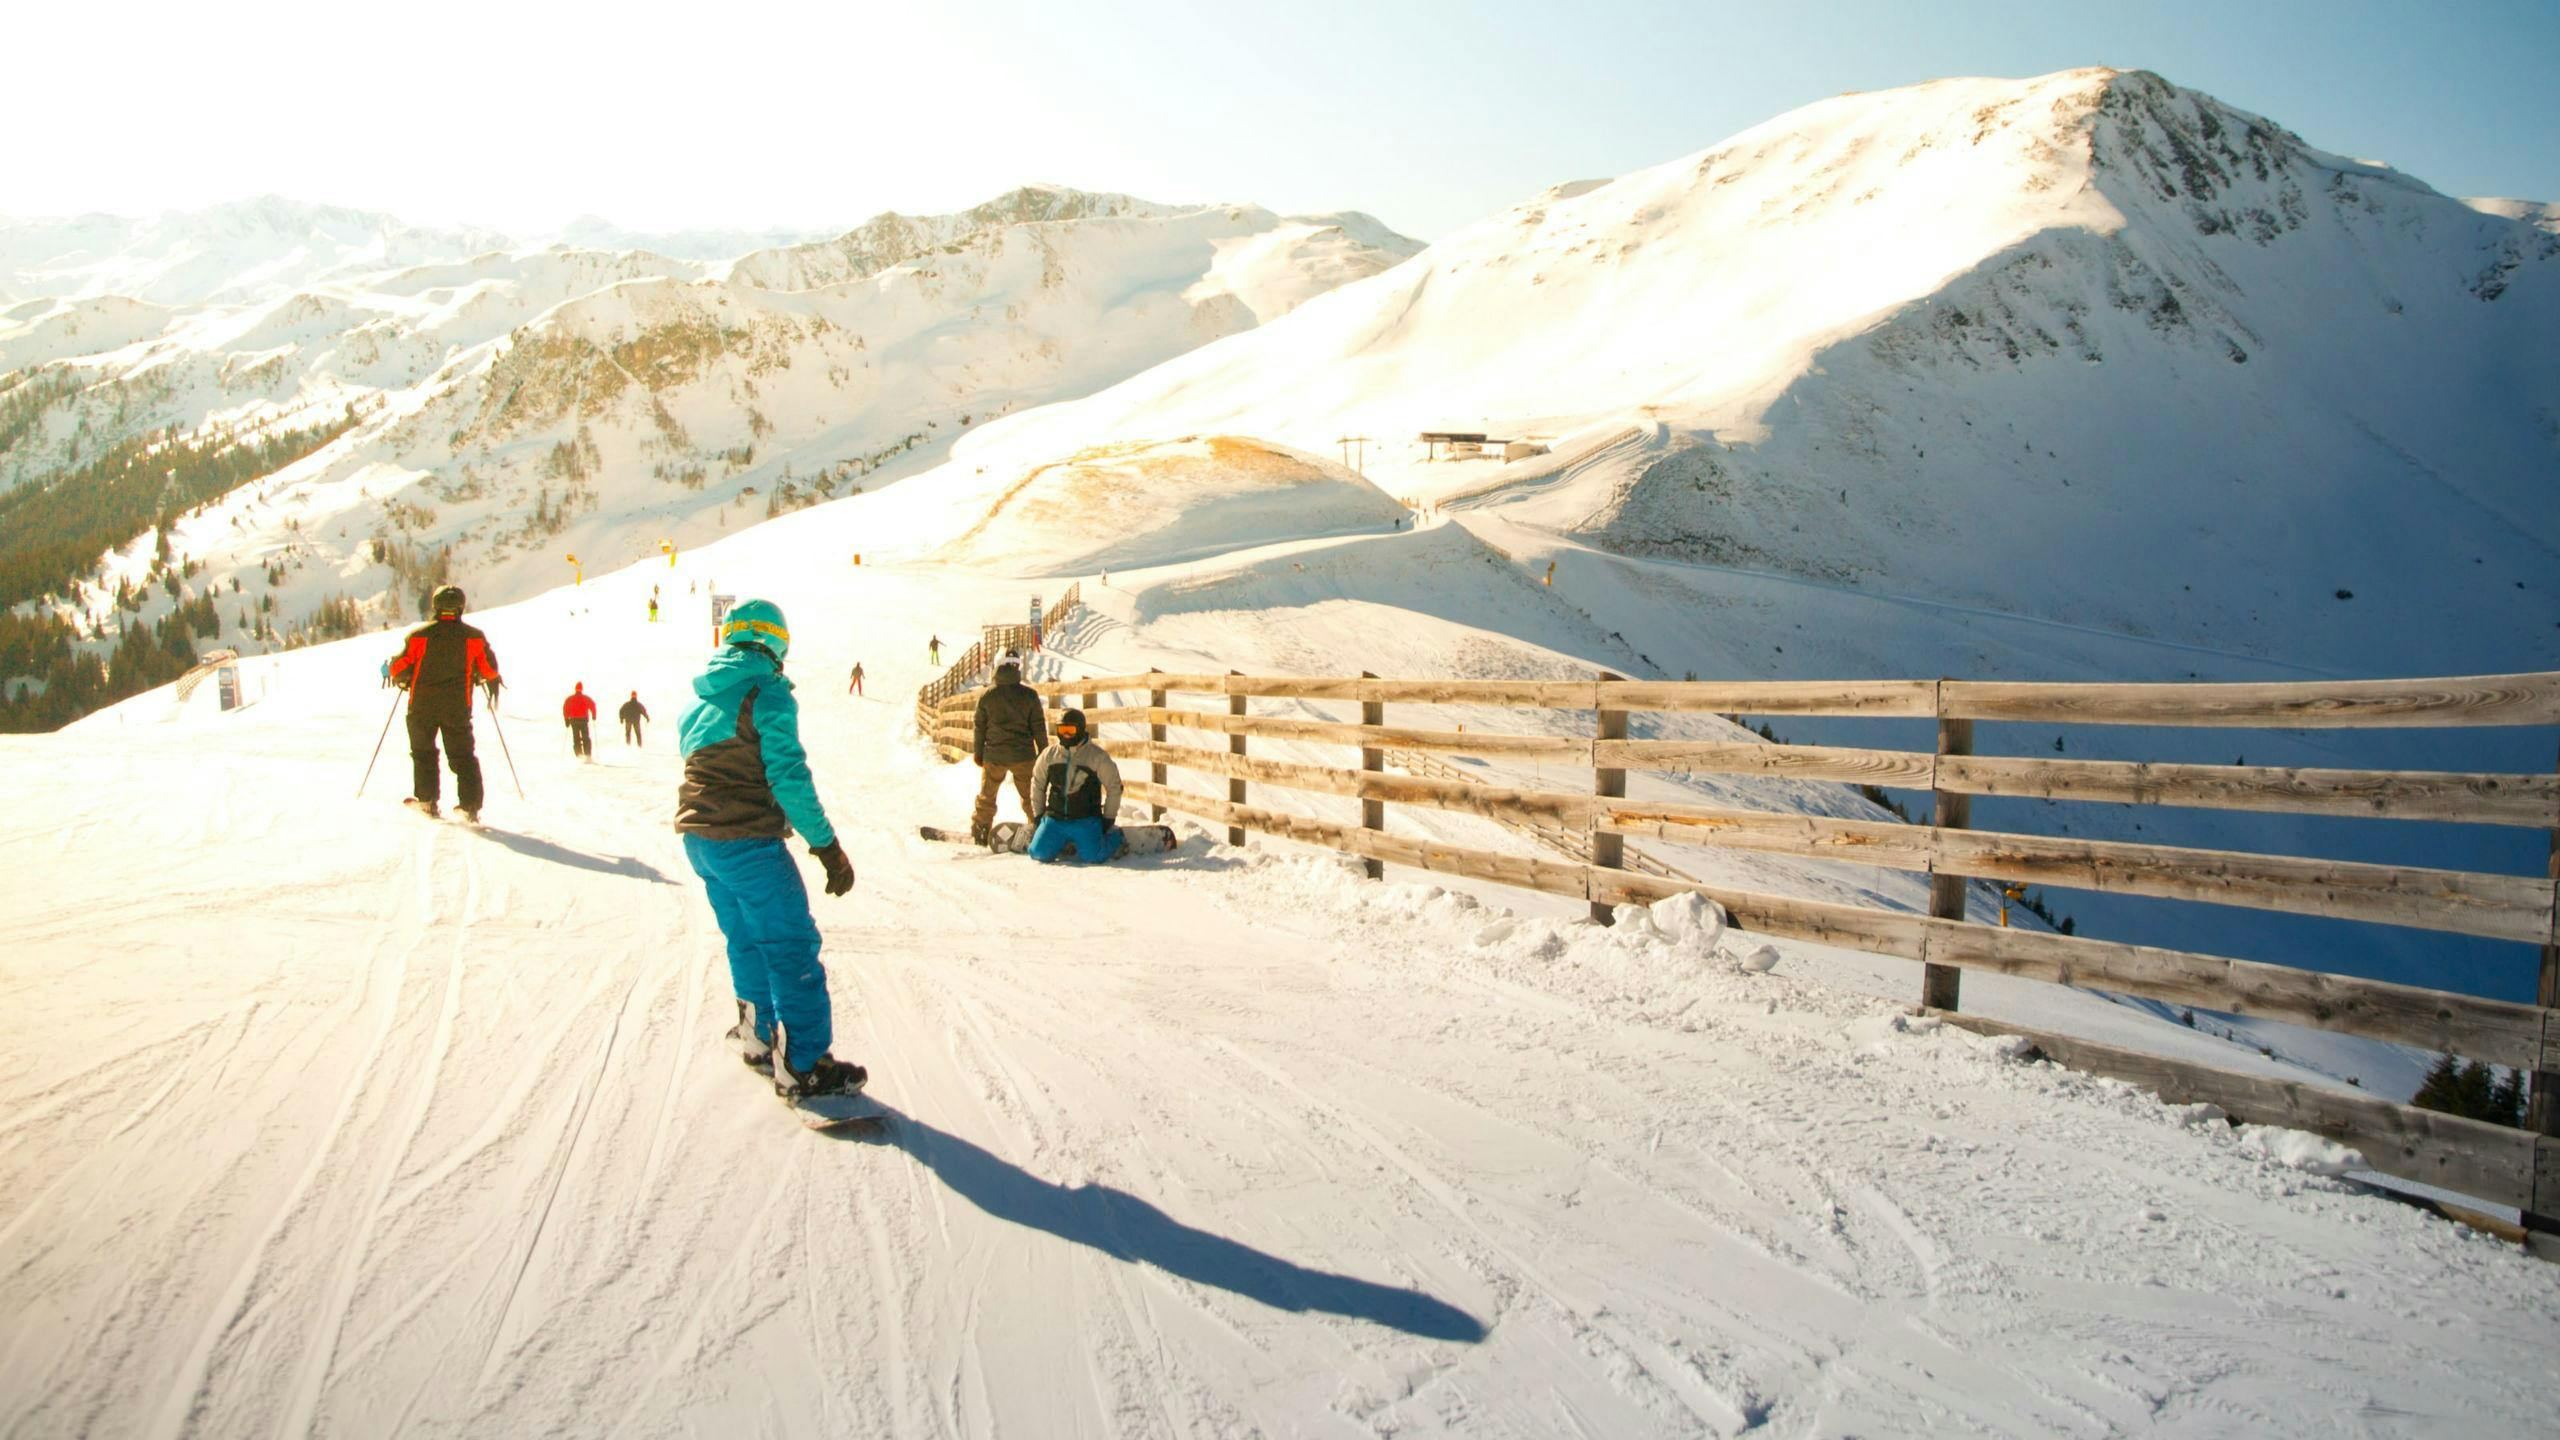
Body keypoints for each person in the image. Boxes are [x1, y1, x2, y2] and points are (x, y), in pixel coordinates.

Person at [676, 598, 865, 1100]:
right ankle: (804, 1065)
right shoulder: (769, 693)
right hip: (746, 842)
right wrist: (827, 846)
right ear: (776, 641)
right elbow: (788, 778)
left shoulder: (697, 702)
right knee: (789, 946)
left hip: (701, 843)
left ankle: (758, 1036)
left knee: (745, 939)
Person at [387, 584, 502, 821]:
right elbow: (491, 671)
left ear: (436, 606)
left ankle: (428, 801)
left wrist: (405, 677)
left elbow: (397, 668)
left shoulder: (419, 636)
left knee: (424, 753)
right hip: (457, 706)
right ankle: (470, 806)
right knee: (463, 755)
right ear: (460, 607)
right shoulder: (474, 637)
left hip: (422, 706)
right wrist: (477, 674)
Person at [1025, 708, 1125, 863]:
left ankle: (1116, 837)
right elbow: (1037, 785)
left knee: (1092, 857)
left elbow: (1114, 788)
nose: (1066, 734)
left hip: (1085, 819)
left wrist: (1108, 819)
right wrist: (1038, 815)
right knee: (1037, 853)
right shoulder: (1049, 755)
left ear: (1080, 729)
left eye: (1070, 730)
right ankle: (1054, 839)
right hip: (1055, 818)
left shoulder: (1096, 756)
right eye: (1062, 729)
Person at [969, 655, 1046, 845]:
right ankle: (1040, 829)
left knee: (987, 796)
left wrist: (978, 753)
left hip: (994, 755)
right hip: (1023, 755)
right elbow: (1038, 726)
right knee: (1030, 796)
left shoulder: (987, 695)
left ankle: (981, 828)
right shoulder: (1029, 695)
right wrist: (1043, 752)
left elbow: (980, 727)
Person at [563, 682, 597, 759]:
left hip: (573, 721)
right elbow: (593, 705)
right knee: (585, 737)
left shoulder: (569, 699)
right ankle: (588, 755)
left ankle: (579, 755)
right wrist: (594, 716)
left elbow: (565, 708)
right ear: (581, 689)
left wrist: (566, 719)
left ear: (575, 689)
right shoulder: (585, 698)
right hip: (583, 720)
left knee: (576, 738)